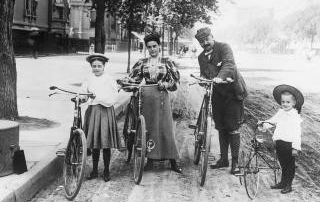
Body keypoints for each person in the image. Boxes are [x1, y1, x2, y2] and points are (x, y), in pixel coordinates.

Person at [121, 32, 182, 173]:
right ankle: (149, 159)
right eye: (149, 47)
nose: (152, 49)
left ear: (159, 46)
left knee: (165, 128)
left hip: (162, 97)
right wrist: (122, 84)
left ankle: (172, 160)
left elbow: (175, 81)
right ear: (147, 48)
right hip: (147, 96)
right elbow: (134, 79)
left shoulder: (167, 62)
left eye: (154, 46)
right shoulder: (142, 63)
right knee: (148, 128)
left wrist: (166, 85)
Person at [195, 27, 248, 174]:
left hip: (232, 93)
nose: (205, 43)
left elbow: (229, 64)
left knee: (233, 127)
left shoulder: (224, 47)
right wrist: (203, 80)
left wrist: (220, 77)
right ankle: (224, 159)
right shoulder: (201, 57)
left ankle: (236, 163)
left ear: (212, 36)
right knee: (221, 126)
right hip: (216, 94)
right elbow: (203, 73)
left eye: (207, 39)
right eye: (201, 41)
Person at [82, 53, 124, 182]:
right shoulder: (89, 78)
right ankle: (94, 170)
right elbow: (85, 91)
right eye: (94, 66)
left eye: (99, 66)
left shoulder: (109, 79)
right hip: (93, 111)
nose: (96, 68)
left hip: (105, 111)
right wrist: (82, 97)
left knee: (105, 144)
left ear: (104, 66)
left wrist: (98, 97)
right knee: (95, 144)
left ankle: (106, 170)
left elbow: (112, 98)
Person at [258, 84, 304, 194]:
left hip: (289, 144)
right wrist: (264, 123)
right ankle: (283, 182)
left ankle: (288, 184)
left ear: (293, 103)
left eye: (288, 102)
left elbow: (297, 133)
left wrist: (295, 148)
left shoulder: (294, 117)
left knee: (289, 165)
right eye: (283, 102)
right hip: (280, 142)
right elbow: (273, 121)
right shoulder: (281, 112)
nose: (285, 104)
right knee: (282, 163)